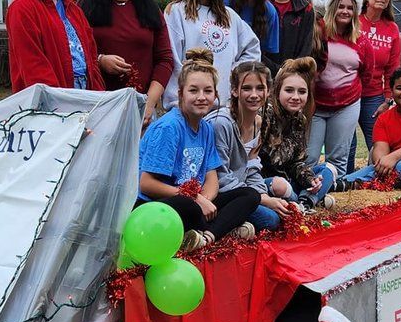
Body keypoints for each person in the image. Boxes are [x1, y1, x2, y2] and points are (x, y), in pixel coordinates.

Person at [138, 48, 262, 249]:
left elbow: (211, 176)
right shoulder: (169, 127)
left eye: (208, 91)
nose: (201, 97)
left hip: (195, 201)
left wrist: (205, 199)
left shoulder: (205, 127)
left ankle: (205, 238)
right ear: (180, 94)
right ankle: (222, 228)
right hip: (159, 204)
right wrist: (195, 200)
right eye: (193, 90)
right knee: (187, 206)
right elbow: (146, 184)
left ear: (215, 94)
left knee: (249, 195)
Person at [80, 0, 175, 125]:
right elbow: (73, 55)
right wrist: (99, 60)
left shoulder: (150, 10)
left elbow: (165, 59)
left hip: (140, 111)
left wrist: (149, 103)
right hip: (96, 110)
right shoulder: (83, 8)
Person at [163, 0, 262, 111]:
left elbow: (253, 49)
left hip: (223, 109)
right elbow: (172, 59)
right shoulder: (177, 11)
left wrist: (234, 73)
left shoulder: (229, 15)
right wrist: (178, 100)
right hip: (187, 108)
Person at [205, 61, 296, 231]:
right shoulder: (221, 124)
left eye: (260, 88)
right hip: (221, 192)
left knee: (288, 197)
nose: (254, 95)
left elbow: (252, 166)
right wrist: (264, 200)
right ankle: (229, 225)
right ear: (234, 90)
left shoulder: (258, 122)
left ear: (268, 91)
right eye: (247, 88)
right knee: (271, 220)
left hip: (244, 188)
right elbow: (220, 176)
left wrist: (260, 193)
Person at [260, 56, 336, 209]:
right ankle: (307, 201)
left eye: (302, 92)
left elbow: (297, 163)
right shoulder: (265, 114)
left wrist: (310, 180)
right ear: (277, 90)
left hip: (289, 180)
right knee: (280, 186)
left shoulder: (300, 119)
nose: (296, 97)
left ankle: (303, 203)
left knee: (328, 170)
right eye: (289, 90)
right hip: (266, 183)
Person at [309, 0, 366, 174]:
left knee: (338, 159)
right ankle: (305, 196)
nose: (345, 11)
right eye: (341, 6)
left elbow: (367, 73)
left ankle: (335, 199)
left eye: (350, 8)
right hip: (315, 105)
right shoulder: (319, 32)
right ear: (332, 7)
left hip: (346, 106)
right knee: (309, 157)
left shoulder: (361, 40)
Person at [354, 0, 401, 169]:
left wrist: (388, 99)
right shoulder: (354, 21)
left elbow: (393, 67)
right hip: (348, 93)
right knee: (347, 144)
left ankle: (375, 177)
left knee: (377, 142)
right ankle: (344, 181)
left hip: (374, 96)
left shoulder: (392, 28)